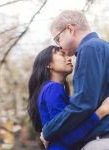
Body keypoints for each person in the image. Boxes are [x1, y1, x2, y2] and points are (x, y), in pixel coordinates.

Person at [40, 10, 109, 149]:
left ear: (70, 29)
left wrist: (47, 132)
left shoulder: (89, 48)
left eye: (58, 38)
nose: (59, 45)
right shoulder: (101, 46)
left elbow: (83, 103)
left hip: (100, 141)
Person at [28, 45, 109, 150]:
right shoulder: (53, 88)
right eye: (62, 55)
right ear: (48, 64)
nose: (69, 58)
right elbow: (67, 137)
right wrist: (100, 113)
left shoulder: (49, 90)